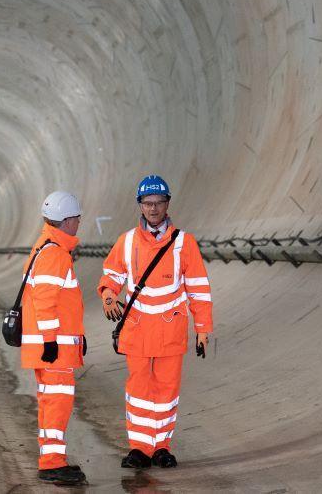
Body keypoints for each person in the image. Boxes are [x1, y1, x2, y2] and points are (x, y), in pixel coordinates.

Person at [98, 175, 213, 469]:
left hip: (169, 329)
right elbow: (112, 276)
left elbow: (198, 289)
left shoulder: (183, 243)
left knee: (166, 390)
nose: (153, 209)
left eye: (158, 203)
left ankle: (162, 447)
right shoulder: (126, 242)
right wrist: (109, 295)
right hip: (137, 329)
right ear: (140, 205)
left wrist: (203, 329)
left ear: (167, 204)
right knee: (138, 389)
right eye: (148, 203)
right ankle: (139, 448)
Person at [21, 191, 87, 485]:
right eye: (77, 219)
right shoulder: (54, 254)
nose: (78, 223)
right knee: (58, 403)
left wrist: (77, 337)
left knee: (51, 403)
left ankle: (51, 460)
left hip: (54, 344)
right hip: (53, 348)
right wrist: (50, 340)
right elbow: (45, 300)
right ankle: (51, 464)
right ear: (68, 221)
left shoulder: (45, 249)